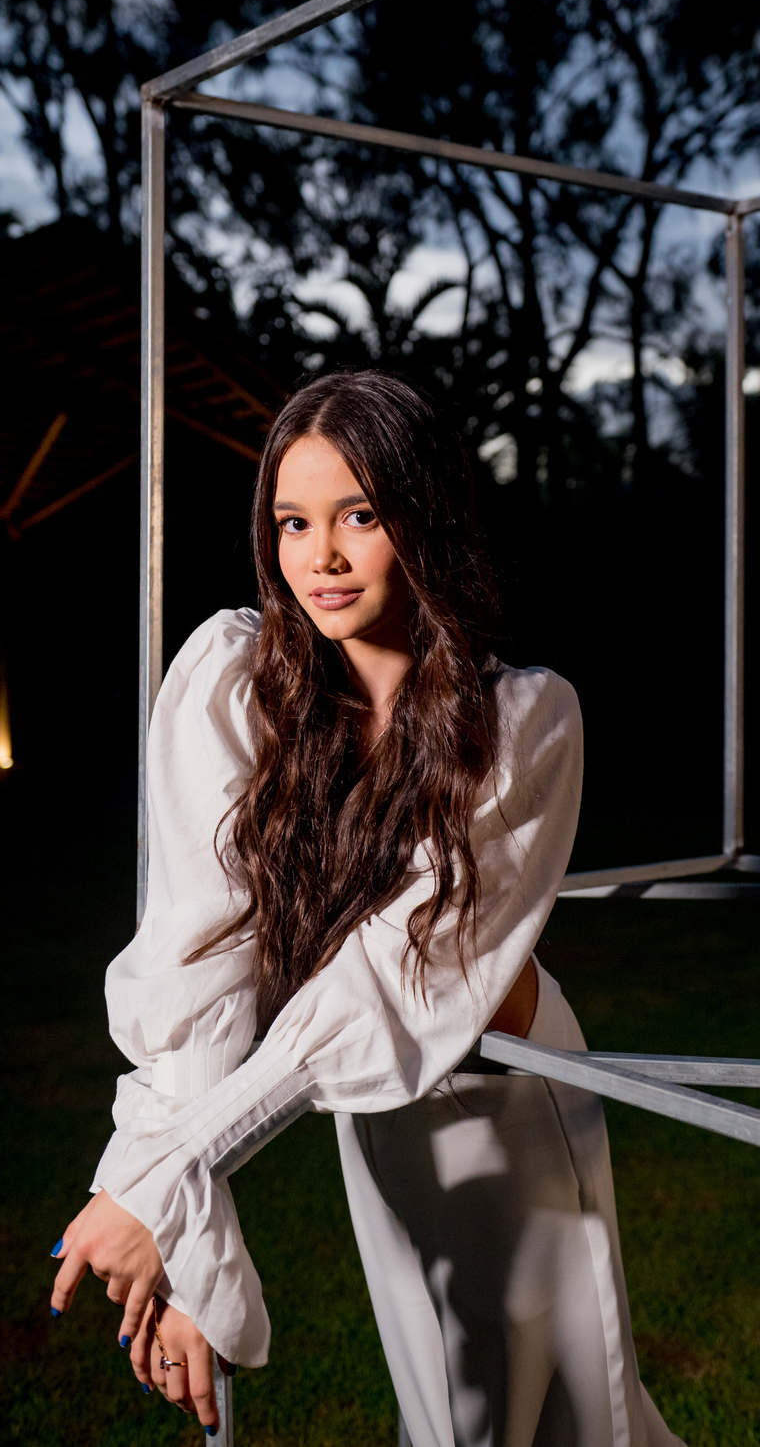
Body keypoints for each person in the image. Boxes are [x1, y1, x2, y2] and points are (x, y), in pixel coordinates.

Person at [50, 370, 683, 1447]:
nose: (322, 558)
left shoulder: (523, 720)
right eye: (294, 522)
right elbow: (202, 961)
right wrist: (191, 1239)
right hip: (368, 1100)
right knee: (445, 1407)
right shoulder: (247, 687)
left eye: (359, 515)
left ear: (423, 519)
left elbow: (391, 978)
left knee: (550, 1420)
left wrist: (166, 1182)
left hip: (501, 1099)